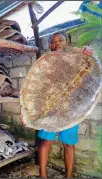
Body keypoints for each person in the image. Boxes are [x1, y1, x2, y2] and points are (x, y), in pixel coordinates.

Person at [37, 32, 92, 178]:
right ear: (50, 45)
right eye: (53, 42)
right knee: (46, 142)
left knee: (68, 144)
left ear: (66, 42)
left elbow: (88, 67)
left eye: (60, 40)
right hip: (50, 107)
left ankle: (68, 176)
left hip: (70, 108)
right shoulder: (45, 62)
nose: (57, 43)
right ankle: (43, 175)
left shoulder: (75, 59)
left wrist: (87, 54)